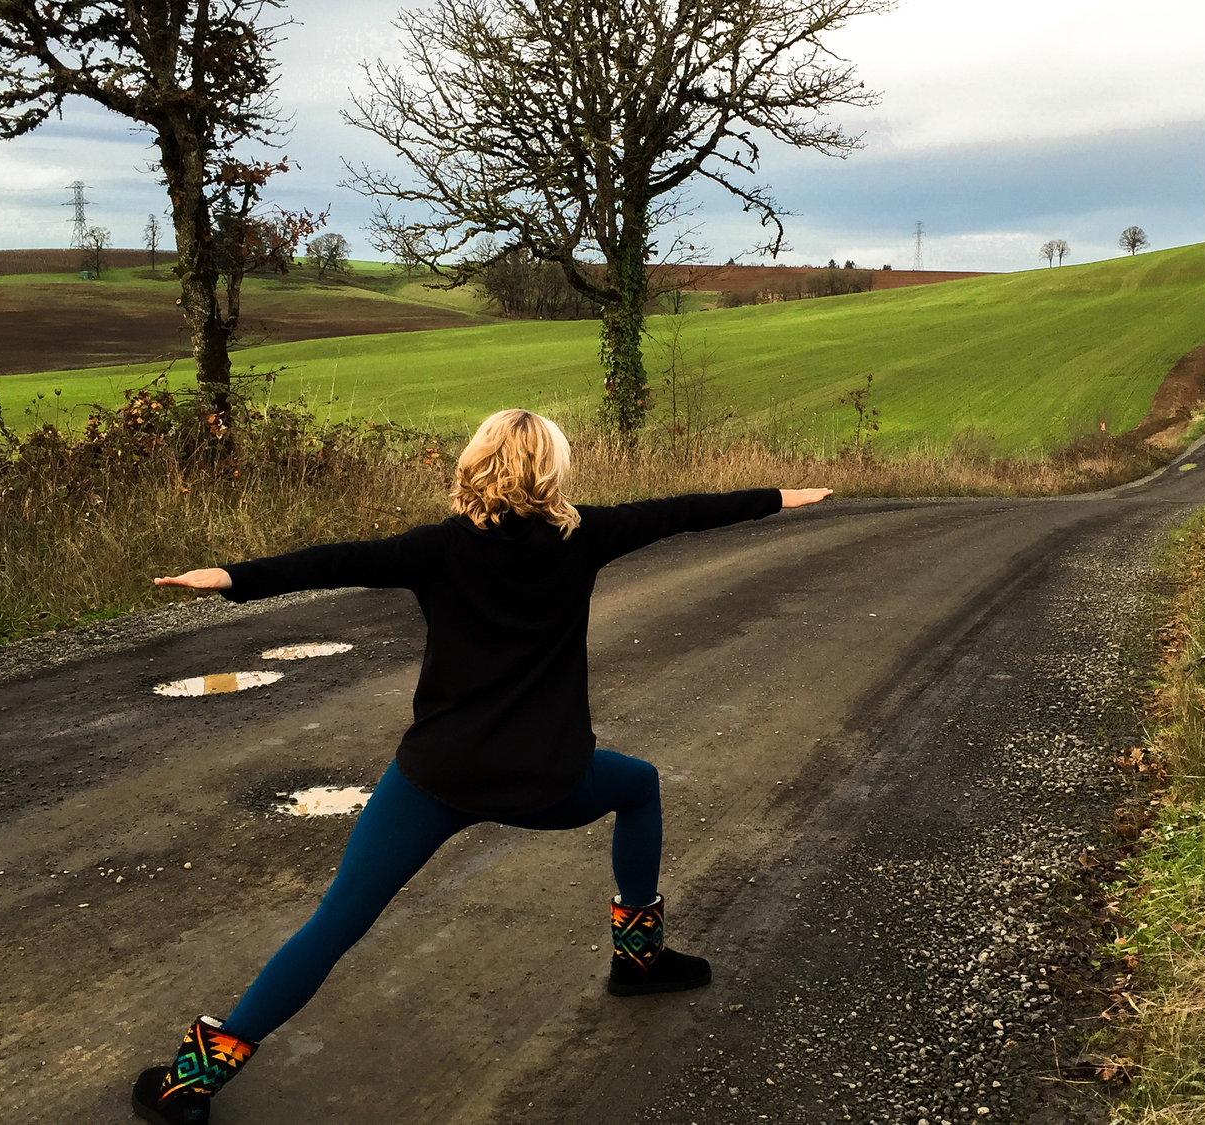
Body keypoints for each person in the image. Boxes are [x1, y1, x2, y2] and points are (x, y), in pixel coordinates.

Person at [132, 408, 831, 1125]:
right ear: (553, 471)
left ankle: (189, 1085)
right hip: (548, 780)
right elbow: (686, 512)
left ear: (474, 463)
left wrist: (230, 577)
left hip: (438, 777)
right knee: (638, 785)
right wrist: (779, 496)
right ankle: (639, 959)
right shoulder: (582, 537)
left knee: (335, 922)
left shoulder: (438, 548)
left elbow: (336, 559)